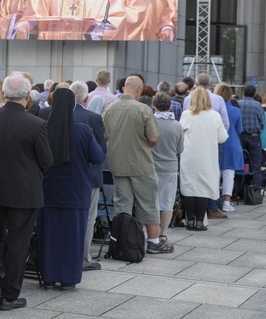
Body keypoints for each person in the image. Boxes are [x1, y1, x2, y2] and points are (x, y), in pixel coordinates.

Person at [0, 72, 52, 310]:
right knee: (18, 242)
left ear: (3, 93)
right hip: (24, 190)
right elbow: (46, 160)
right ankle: (9, 295)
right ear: (27, 98)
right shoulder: (37, 124)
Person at [37, 88, 104, 291]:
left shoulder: (42, 128)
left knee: (49, 237)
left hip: (48, 191)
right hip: (76, 193)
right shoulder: (83, 130)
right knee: (73, 237)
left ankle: (48, 277)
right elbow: (98, 157)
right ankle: (68, 279)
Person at [102, 76, 173, 254]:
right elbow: (153, 138)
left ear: (124, 88)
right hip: (141, 163)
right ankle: (154, 241)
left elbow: (104, 136)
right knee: (148, 201)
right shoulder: (143, 109)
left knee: (122, 203)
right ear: (139, 90)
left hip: (118, 163)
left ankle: (123, 240)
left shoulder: (109, 109)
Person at [69, 81, 107, 271]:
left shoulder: (54, 114)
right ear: (86, 98)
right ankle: (83, 258)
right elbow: (101, 151)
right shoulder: (93, 118)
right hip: (89, 175)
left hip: (62, 175)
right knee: (88, 218)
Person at [179, 87, 228, 230]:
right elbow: (222, 138)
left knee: (188, 187)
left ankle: (189, 220)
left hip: (189, 156)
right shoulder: (215, 116)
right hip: (207, 157)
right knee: (203, 188)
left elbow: (180, 135)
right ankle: (200, 222)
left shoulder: (186, 115)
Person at [150, 92, 184, 241]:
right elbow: (180, 150)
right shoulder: (177, 126)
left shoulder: (149, 123)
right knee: (167, 202)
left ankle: (151, 234)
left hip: (151, 166)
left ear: (154, 107)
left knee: (151, 201)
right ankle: (163, 233)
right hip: (169, 167)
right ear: (170, 107)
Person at [215, 83, 244, 212]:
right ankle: (226, 202)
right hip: (232, 144)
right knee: (228, 175)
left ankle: (213, 202)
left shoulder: (214, 110)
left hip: (216, 143)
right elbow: (240, 129)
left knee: (215, 174)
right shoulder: (236, 110)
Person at [238, 85, 265, 188]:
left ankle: (240, 189)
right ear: (254, 94)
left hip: (241, 136)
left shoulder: (239, 104)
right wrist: (258, 132)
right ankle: (257, 190)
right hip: (254, 136)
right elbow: (262, 122)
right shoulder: (257, 105)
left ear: (243, 92)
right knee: (256, 164)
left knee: (241, 162)